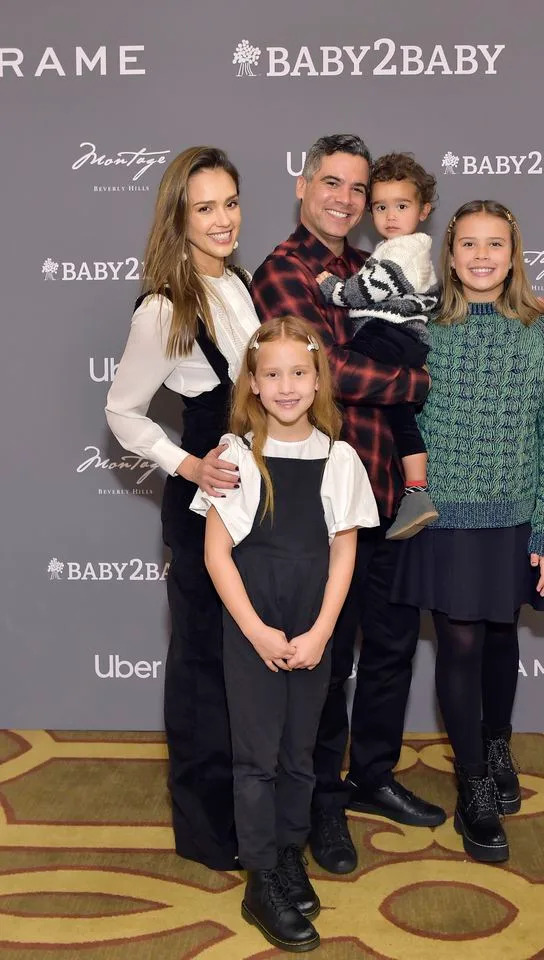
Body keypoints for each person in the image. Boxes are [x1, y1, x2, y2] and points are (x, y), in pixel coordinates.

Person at [251, 134, 544, 876]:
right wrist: (420, 381)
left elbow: (449, 311)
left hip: (393, 499)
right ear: (303, 186)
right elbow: (325, 370)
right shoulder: (287, 270)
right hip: (328, 496)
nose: (345, 199)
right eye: (330, 183)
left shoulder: (372, 269)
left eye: (358, 190)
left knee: (391, 649)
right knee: (330, 660)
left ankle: (370, 776)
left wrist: (535, 306)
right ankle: (321, 808)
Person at [392, 200, 544, 863]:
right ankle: (470, 781)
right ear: (448, 254)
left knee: (501, 639)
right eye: (466, 243)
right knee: (460, 645)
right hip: (444, 521)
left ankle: (497, 745)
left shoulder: (540, 336)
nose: (479, 255)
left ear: (512, 253)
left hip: (515, 521)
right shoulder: (420, 331)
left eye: (493, 244)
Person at [191, 316, 378, 952]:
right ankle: (259, 875)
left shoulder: (341, 456)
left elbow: (344, 551)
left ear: (318, 378)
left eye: (299, 372)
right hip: (255, 623)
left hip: (312, 624)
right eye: (271, 374)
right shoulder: (236, 455)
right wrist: (256, 632)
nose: (287, 385)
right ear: (252, 382)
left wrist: (324, 631)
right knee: (257, 757)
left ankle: (289, 852)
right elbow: (218, 555)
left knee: (301, 753)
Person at [105, 146, 259, 870]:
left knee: (244, 662)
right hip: (204, 507)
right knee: (202, 667)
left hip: (257, 503)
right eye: (206, 207)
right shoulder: (166, 305)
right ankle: (205, 833)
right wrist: (187, 462)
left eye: (229, 202)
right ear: (179, 216)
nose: (223, 219)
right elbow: (123, 412)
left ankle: (247, 809)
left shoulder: (241, 282)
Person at [317, 152, 440, 541]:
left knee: (340, 366)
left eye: (401, 206)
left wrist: (332, 289)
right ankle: (417, 487)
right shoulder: (398, 247)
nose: (390, 216)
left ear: (424, 209)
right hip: (404, 339)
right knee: (400, 415)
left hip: (392, 336)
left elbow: (369, 288)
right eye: (381, 207)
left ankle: (414, 489)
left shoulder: (401, 250)